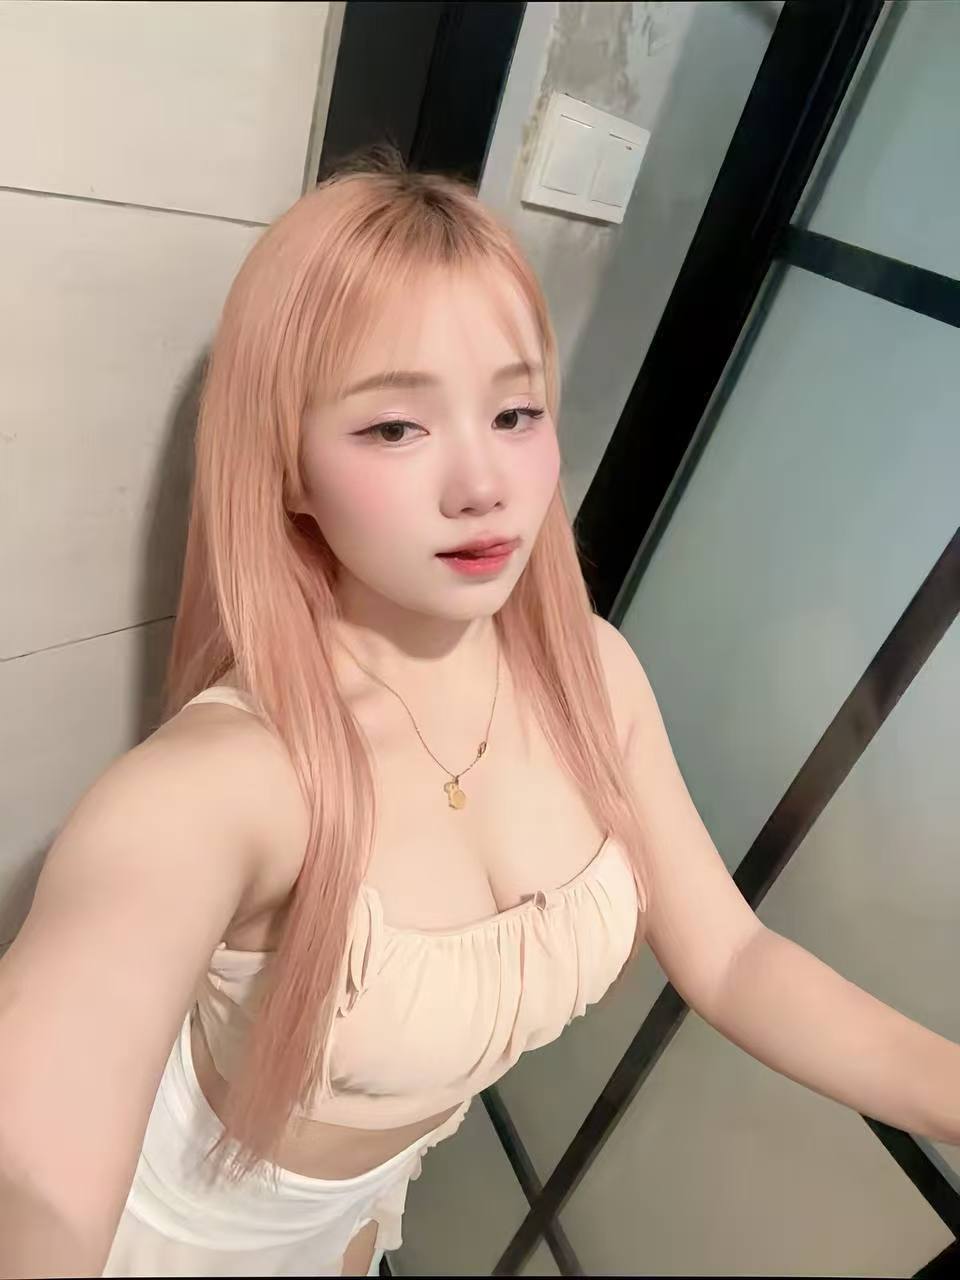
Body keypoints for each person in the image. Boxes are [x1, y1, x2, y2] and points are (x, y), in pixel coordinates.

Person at [0, 155, 957, 1279]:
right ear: (287, 469)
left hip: (356, 1209)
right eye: (393, 428)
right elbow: (33, 1185)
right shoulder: (219, 785)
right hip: (178, 1235)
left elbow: (735, 958)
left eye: (514, 412)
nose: (484, 484)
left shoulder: (593, 675)